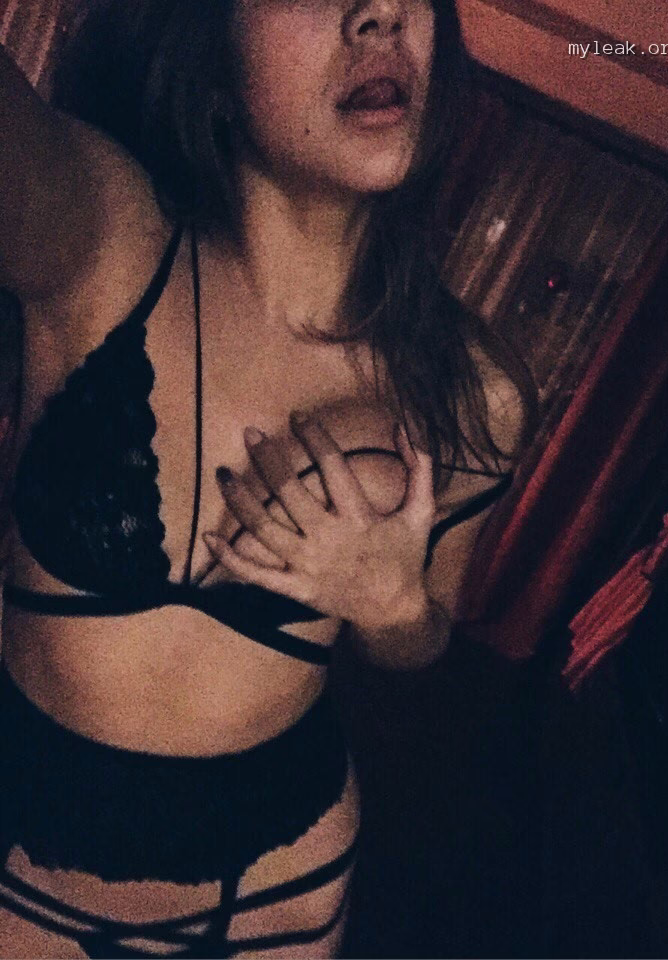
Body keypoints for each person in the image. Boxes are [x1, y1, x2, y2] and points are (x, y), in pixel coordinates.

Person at [0, 0, 535, 956]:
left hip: (270, 893)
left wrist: (391, 604)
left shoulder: (476, 390)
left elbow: (425, 647)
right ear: (215, 70)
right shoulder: (103, 237)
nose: (380, 12)